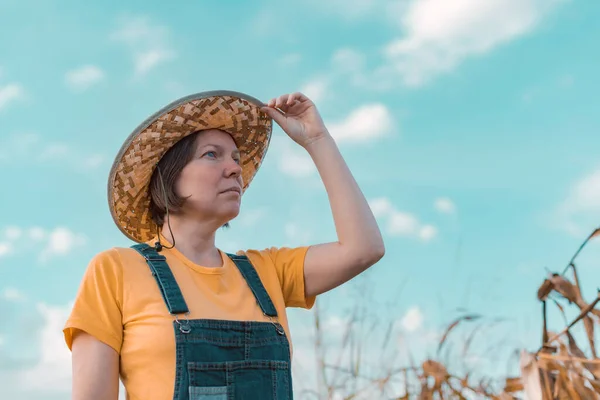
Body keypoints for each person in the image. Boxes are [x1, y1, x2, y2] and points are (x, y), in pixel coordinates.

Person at [63, 90, 385, 400]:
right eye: (211, 155)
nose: (234, 169)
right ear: (168, 175)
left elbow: (364, 248)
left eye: (236, 158)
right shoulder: (116, 270)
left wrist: (317, 140)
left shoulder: (266, 272)